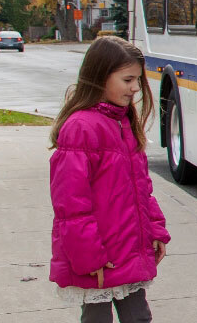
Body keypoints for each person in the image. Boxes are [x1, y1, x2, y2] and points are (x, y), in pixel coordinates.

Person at [48, 36, 168, 323]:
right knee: (97, 319)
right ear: (101, 76)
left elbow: (142, 189)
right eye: (128, 80)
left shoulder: (124, 121)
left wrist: (155, 230)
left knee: (139, 317)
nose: (136, 88)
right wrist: (89, 257)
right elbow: (70, 205)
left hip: (128, 249)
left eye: (138, 80)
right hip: (98, 257)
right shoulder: (80, 128)